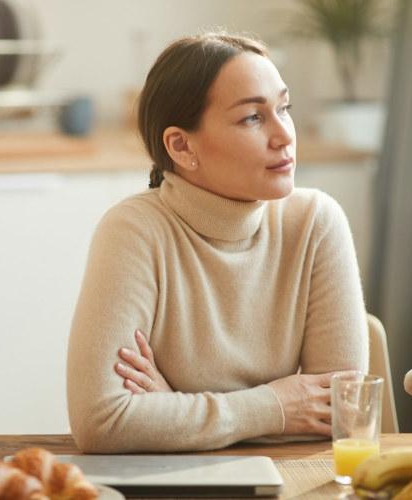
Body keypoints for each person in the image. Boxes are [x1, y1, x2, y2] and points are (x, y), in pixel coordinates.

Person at [66, 32, 368, 453]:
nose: (284, 135)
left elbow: (343, 411)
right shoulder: (134, 231)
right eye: (252, 118)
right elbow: (101, 422)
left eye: (284, 108)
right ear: (182, 146)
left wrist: (172, 409)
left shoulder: (316, 222)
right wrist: (275, 407)